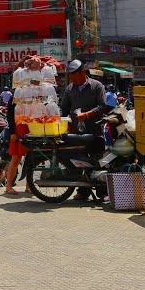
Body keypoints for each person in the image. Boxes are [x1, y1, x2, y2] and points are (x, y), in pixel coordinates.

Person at [60, 60, 109, 200]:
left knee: (98, 160)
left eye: (74, 75)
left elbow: (102, 106)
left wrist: (87, 115)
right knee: (79, 161)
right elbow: (64, 108)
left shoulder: (96, 86)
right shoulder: (70, 89)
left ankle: (102, 192)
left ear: (82, 73)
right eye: (70, 76)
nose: (72, 79)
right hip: (77, 132)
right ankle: (82, 191)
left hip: (94, 130)